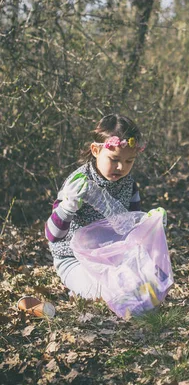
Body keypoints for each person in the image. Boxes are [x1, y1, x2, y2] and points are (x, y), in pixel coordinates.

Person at [45, 113, 145, 298]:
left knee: (143, 284)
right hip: (73, 259)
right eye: (114, 159)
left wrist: (149, 224)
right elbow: (52, 235)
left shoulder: (128, 184)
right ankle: (78, 288)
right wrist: (67, 207)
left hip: (111, 256)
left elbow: (133, 225)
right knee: (103, 293)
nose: (121, 167)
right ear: (95, 150)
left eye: (129, 161)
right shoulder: (78, 183)